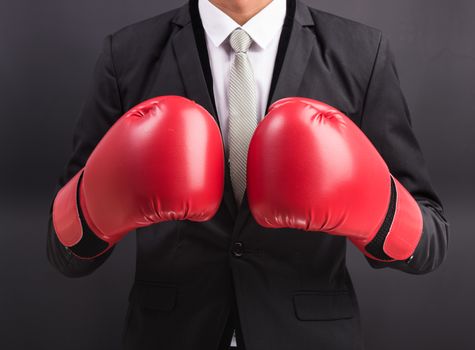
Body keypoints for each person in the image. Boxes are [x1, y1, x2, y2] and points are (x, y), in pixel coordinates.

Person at [47, 0, 449, 349]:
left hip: (309, 338)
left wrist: (372, 209)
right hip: (170, 336)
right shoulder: (128, 53)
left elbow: (430, 237)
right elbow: (65, 250)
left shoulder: (360, 52)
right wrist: (99, 206)